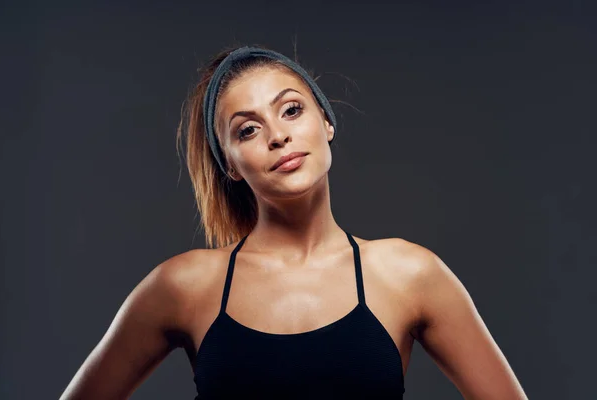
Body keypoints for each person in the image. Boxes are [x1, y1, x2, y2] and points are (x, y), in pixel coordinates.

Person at [60, 45, 528, 399]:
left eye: (291, 110)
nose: (278, 135)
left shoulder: (409, 274)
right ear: (230, 163)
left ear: (325, 121)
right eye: (248, 129)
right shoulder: (184, 286)